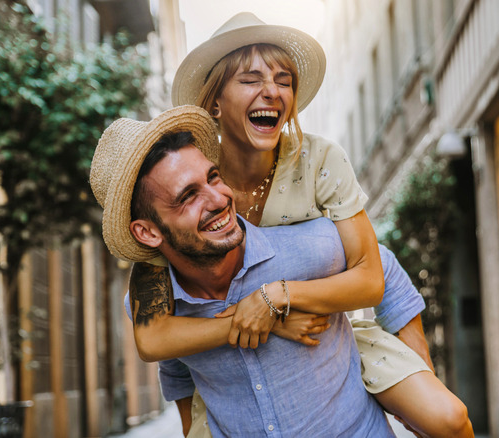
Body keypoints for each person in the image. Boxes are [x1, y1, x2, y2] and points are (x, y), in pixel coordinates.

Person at [130, 12, 473, 438]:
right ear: (215, 101)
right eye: (251, 79)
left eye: (284, 79)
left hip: (331, 330)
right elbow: (157, 338)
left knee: (447, 419)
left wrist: (279, 297)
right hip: (236, 372)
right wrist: (270, 318)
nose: (272, 91)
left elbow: (374, 268)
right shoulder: (195, 178)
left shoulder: (319, 161)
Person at [89, 104, 428, 436]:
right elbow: (176, 368)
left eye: (213, 177)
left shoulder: (305, 246)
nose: (219, 199)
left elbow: (380, 267)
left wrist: (423, 390)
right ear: (147, 232)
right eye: (188, 196)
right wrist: (264, 319)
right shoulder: (155, 306)